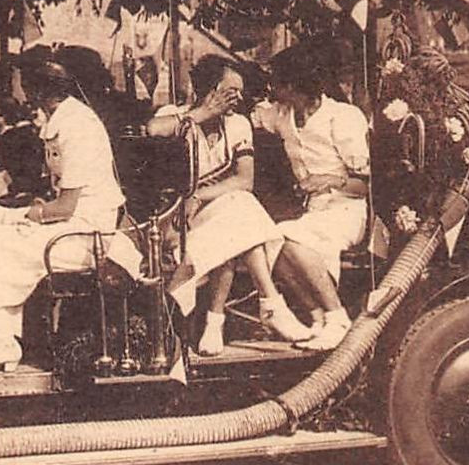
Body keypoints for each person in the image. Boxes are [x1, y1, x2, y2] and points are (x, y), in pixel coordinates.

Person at [0, 49, 142, 375]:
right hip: (69, 225)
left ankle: (1, 339)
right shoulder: (61, 119)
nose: (18, 91)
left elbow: (66, 206)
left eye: (21, 83)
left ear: (37, 89)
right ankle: (0, 337)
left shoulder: (77, 126)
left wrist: (9, 216)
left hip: (87, 236)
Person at [147, 56, 310, 352]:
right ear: (209, 90)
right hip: (175, 221)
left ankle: (219, 323)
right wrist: (201, 113)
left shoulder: (237, 124)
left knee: (239, 210)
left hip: (214, 212)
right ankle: (261, 308)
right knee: (240, 218)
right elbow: (153, 130)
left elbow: (244, 181)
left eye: (240, 92)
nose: (238, 98)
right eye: (230, 91)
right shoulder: (178, 115)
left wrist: (199, 196)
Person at [251, 44, 371, 352]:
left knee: (289, 236)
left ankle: (338, 317)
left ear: (292, 86)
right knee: (270, 242)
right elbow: (252, 116)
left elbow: (369, 184)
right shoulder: (282, 115)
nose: (272, 89)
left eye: (276, 83)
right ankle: (318, 318)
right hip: (314, 213)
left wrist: (331, 180)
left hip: (348, 209)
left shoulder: (342, 117)